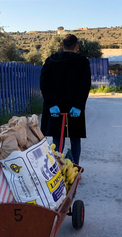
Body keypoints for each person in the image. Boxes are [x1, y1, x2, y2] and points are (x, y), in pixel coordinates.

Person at [40, 34, 91, 165]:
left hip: (56, 108)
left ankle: (56, 167)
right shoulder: (83, 61)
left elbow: (44, 84)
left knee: (57, 139)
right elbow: (85, 84)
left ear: (62, 46)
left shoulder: (50, 60)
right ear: (77, 47)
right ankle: (74, 168)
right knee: (75, 139)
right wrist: (78, 106)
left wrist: (51, 104)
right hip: (74, 108)